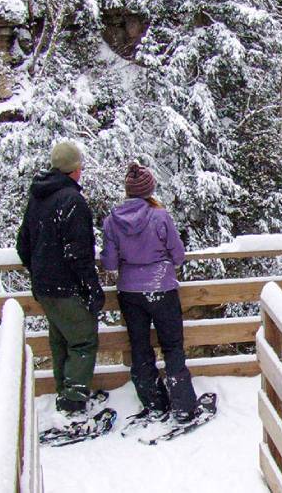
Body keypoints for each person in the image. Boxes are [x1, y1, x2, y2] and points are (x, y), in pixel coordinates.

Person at [100, 161, 200, 422]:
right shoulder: (160, 216)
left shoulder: (112, 221)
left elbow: (109, 263)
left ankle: (154, 402)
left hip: (130, 293)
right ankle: (183, 405)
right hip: (162, 287)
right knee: (172, 346)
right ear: (149, 189)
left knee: (140, 347)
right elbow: (178, 255)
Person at [16, 141, 105, 414]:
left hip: (45, 287)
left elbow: (23, 244)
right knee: (83, 340)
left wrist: (39, 272)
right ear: (75, 169)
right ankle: (73, 403)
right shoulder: (71, 201)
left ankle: (65, 393)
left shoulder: (38, 197)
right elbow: (79, 252)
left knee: (61, 339)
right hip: (66, 287)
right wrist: (92, 287)